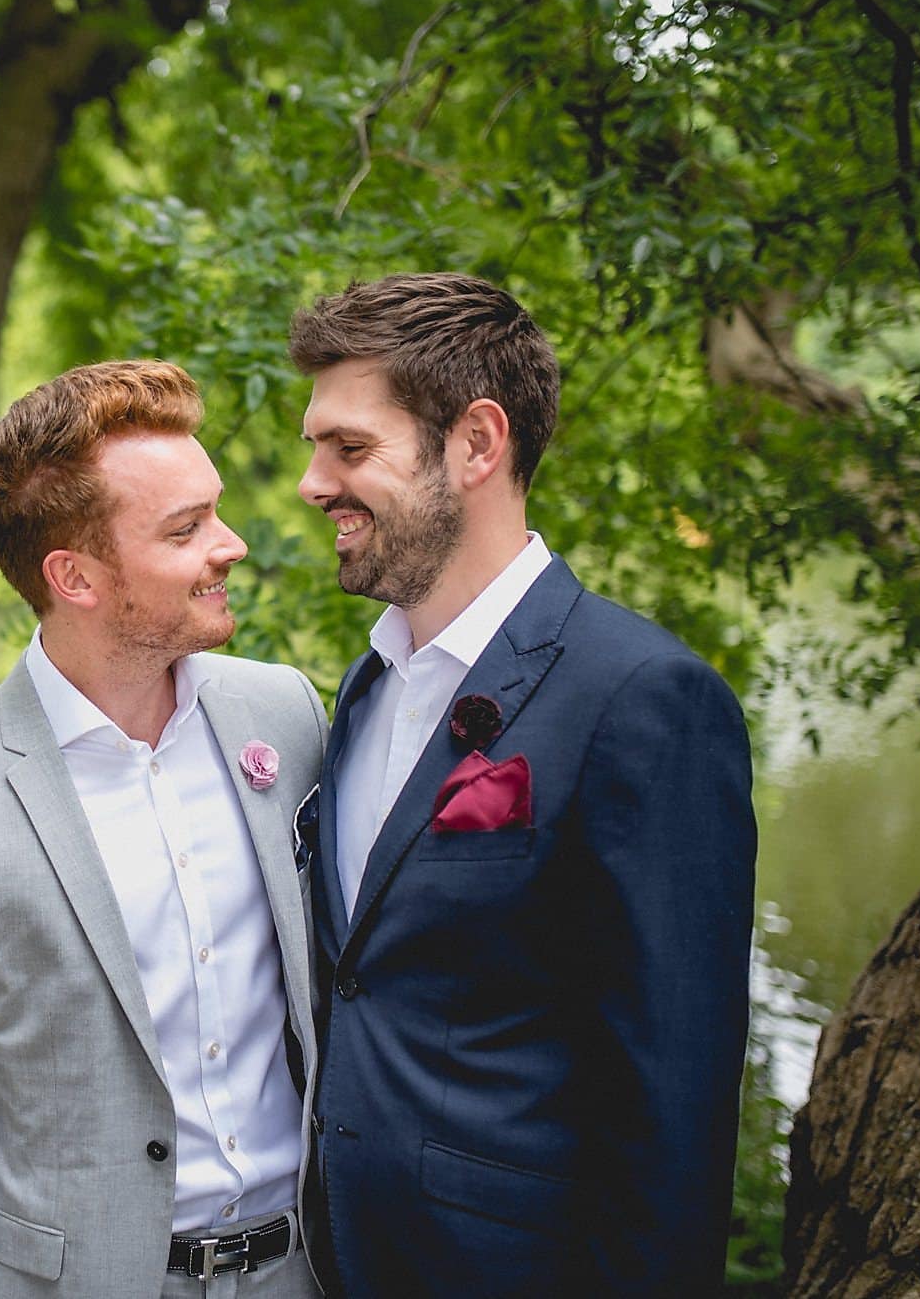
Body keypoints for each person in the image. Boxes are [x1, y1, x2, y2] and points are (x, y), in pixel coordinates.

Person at [289, 273, 756, 1295]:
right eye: (314, 446)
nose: (311, 482)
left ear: (475, 442)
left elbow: (672, 1106)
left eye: (350, 447)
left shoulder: (643, 698)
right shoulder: (365, 686)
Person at [0, 360, 328, 1298]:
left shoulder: (286, 716)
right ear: (73, 575)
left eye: (215, 511)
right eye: (185, 530)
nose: (229, 545)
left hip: (309, 1272)